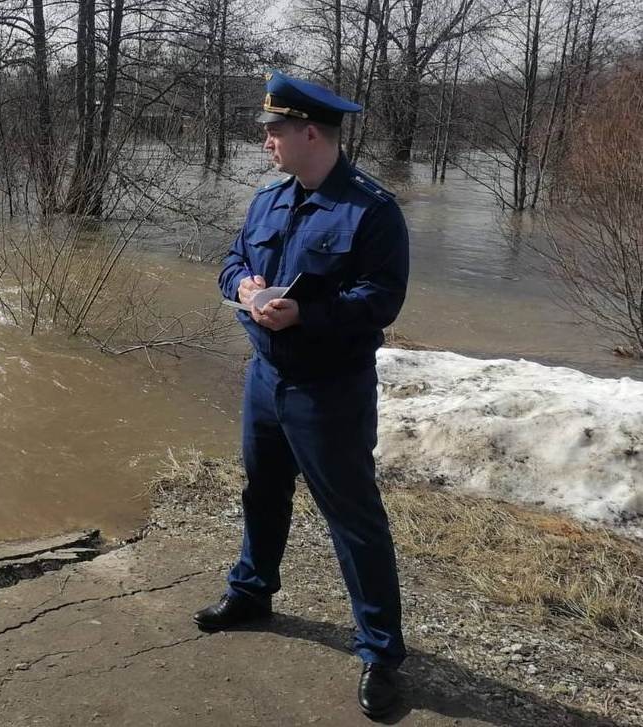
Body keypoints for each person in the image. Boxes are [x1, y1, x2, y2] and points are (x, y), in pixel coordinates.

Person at [195, 70, 410, 718]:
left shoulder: (372, 210)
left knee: (353, 520)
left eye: (275, 130)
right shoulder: (268, 200)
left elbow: (382, 297)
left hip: (329, 390)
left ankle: (381, 653)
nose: (267, 141)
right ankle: (253, 590)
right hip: (265, 379)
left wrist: (305, 316)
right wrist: (244, 289)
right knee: (260, 491)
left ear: (310, 131)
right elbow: (231, 261)